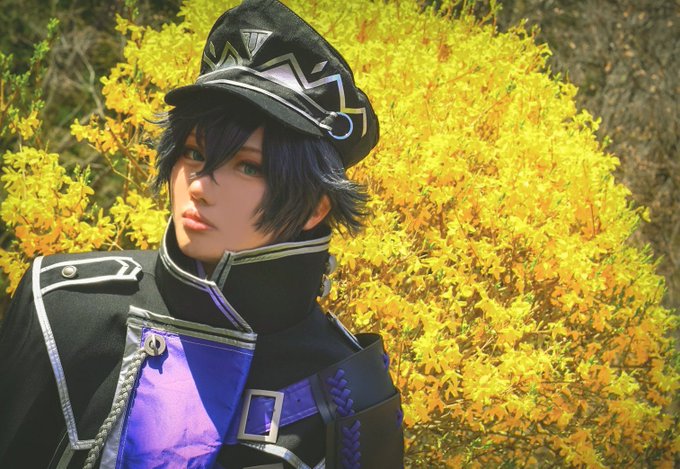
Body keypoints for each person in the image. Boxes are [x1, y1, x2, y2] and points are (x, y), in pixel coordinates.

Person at [0, 0, 404, 467]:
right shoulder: (63, 309)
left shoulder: (347, 388)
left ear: (316, 207)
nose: (199, 186)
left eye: (248, 166)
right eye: (194, 153)